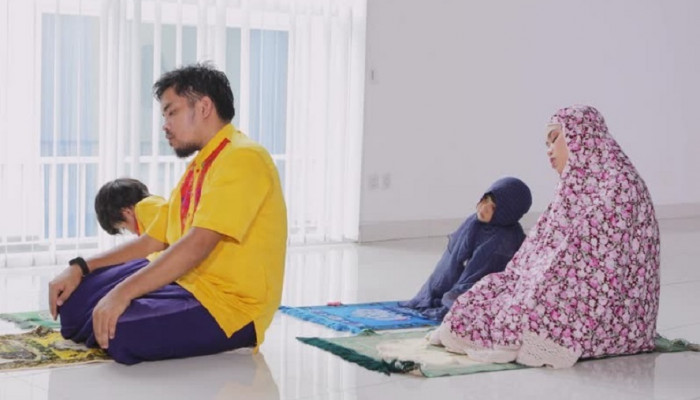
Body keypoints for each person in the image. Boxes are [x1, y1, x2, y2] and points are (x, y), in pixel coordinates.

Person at [48, 63, 288, 365]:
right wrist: (81, 267)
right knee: (72, 303)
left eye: (171, 112)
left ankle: (224, 339)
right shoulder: (200, 166)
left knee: (120, 330)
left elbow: (197, 244)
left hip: (228, 306)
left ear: (203, 107)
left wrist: (122, 293)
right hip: (186, 282)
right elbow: (153, 241)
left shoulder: (243, 157)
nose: (165, 125)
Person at [429, 105, 660, 368]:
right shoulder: (574, 185)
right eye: (546, 144)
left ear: (582, 135)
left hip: (604, 301)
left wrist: (538, 282)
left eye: (555, 138)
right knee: (488, 295)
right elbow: (538, 247)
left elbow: (589, 261)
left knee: (533, 305)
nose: (549, 149)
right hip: (568, 277)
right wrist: (526, 279)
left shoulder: (620, 186)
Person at [399, 177, 532, 320]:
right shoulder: (475, 222)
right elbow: (449, 262)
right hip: (461, 282)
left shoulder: (503, 241)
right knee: (442, 279)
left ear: (507, 213)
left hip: (486, 291)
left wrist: (454, 298)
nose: (483, 208)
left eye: (493, 207)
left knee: (460, 304)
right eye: (484, 200)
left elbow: (477, 278)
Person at [95, 178, 167, 236]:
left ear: (127, 212)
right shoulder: (156, 203)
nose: (132, 233)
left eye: (124, 227)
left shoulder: (145, 207)